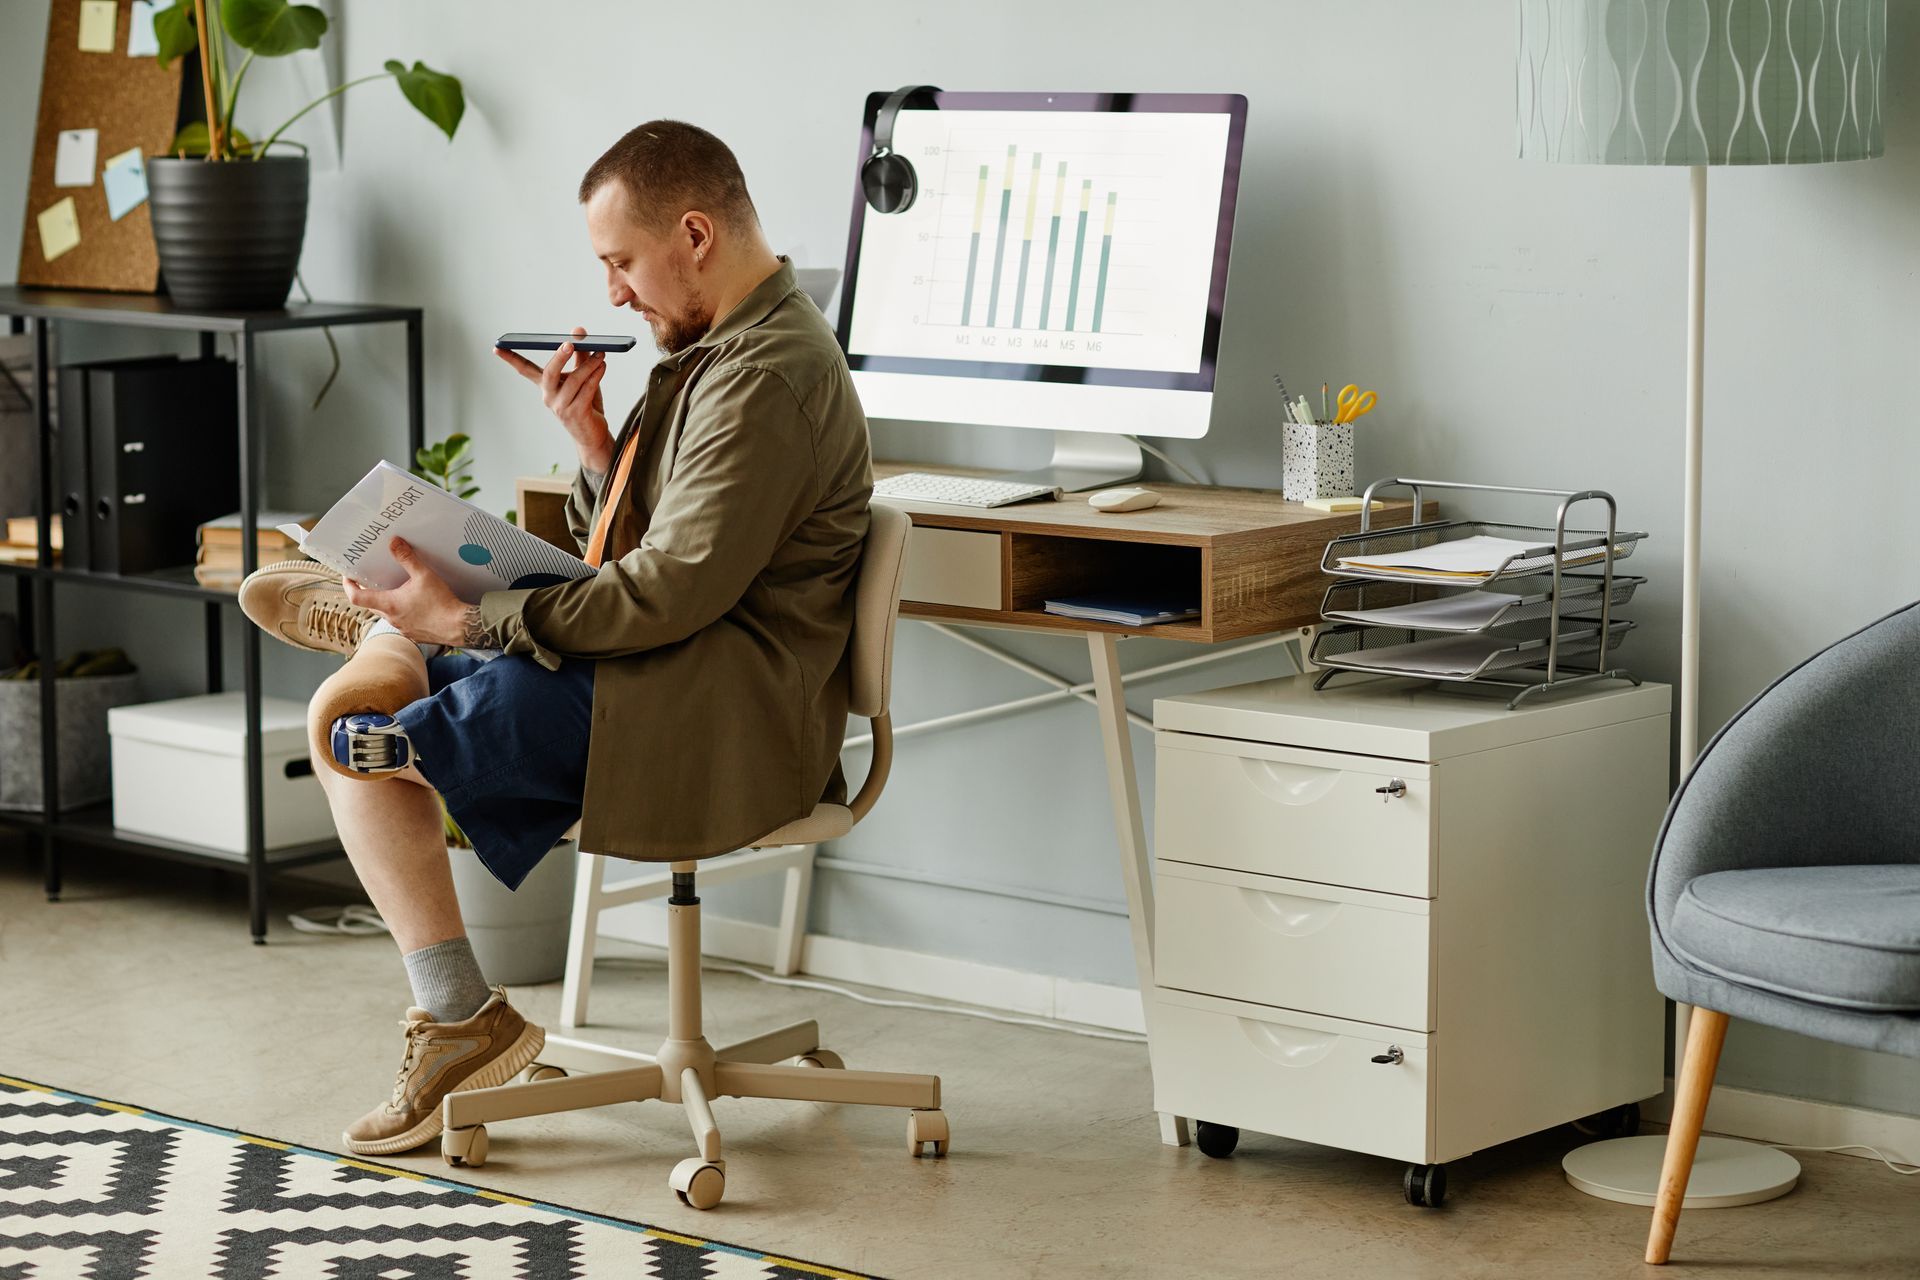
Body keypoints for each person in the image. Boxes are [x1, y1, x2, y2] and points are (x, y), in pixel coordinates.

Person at [239, 120, 874, 1158]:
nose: (615, 292)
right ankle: (460, 1006)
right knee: (353, 715)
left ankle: (400, 632)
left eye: (620, 262)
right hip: (670, 668)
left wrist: (477, 618)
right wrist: (598, 449)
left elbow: (665, 592)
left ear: (697, 233)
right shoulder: (714, 353)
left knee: (368, 729)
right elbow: (643, 558)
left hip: (717, 709)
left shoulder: (763, 377)